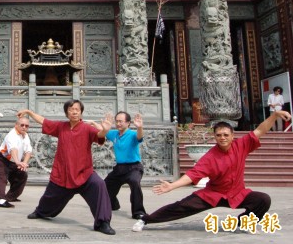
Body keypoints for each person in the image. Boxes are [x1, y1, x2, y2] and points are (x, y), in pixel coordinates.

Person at [132, 109, 292, 232]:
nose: (222, 137)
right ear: (214, 137)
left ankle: (241, 224)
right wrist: (172, 186)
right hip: (212, 194)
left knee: (263, 199)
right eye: (219, 135)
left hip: (237, 193)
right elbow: (192, 175)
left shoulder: (241, 145)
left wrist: (275, 115)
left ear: (232, 135)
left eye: (225, 135)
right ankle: (145, 220)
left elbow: (260, 130)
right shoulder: (210, 157)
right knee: (180, 207)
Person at [18, 100, 116, 235]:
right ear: (66, 113)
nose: (74, 112)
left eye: (77, 109)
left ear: (81, 112)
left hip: (84, 173)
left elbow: (99, 136)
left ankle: (103, 223)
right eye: (71, 109)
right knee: (49, 198)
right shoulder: (61, 126)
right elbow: (44, 121)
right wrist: (29, 112)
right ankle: (41, 212)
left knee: (99, 185)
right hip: (63, 174)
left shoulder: (87, 128)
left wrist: (104, 130)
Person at [104, 111, 146, 219]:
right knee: (105, 185)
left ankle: (138, 212)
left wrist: (140, 127)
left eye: (121, 121)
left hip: (134, 167)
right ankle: (114, 205)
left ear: (128, 123)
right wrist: (92, 123)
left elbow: (139, 137)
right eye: (117, 121)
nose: (118, 124)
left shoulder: (132, 134)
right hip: (119, 168)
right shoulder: (114, 134)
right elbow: (102, 130)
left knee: (134, 182)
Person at [0, 116, 33, 208]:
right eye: (22, 125)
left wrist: (24, 164)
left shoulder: (25, 135)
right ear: (16, 125)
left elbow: (28, 151)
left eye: (27, 126)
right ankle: (1, 200)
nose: (24, 127)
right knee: (2, 177)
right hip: (1, 159)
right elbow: (13, 149)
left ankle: (10, 197)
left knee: (22, 175)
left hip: (12, 162)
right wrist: (18, 162)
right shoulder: (12, 135)